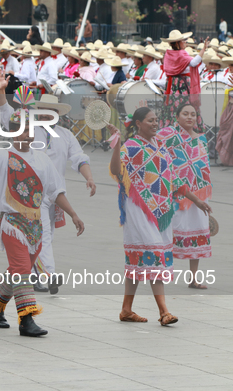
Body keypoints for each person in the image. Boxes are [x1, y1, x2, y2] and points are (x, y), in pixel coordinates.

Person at [0, 73, 85, 337]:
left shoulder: (42, 160)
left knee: (16, 271)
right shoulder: (2, 155)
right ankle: (26, 319)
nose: (25, 134)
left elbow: (56, 192)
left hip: (35, 225)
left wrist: (74, 214)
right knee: (22, 270)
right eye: (19, 129)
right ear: (12, 132)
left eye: (29, 130)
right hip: (12, 224)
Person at [107, 107, 210, 325]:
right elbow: (116, 170)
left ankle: (126, 309)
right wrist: (116, 146)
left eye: (156, 120)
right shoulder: (131, 146)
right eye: (150, 120)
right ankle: (164, 312)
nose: (155, 124)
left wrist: (196, 199)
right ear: (138, 123)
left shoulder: (160, 145)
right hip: (138, 209)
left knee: (140, 259)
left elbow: (172, 179)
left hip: (161, 210)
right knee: (154, 255)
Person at [28, 93, 95, 294]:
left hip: (55, 194)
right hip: (30, 193)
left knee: (43, 236)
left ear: (57, 114)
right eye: (43, 112)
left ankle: (36, 275)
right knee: (43, 235)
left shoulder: (66, 135)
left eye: (52, 112)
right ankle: (47, 274)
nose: (47, 116)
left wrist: (89, 178)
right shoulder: (27, 131)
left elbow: (78, 158)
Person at [157, 104, 213, 289]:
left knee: (198, 230)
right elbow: (162, 161)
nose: (189, 117)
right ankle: (157, 273)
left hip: (198, 193)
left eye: (193, 114)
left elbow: (202, 169)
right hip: (174, 194)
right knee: (165, 234)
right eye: (185, 114)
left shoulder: (201, 139)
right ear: (177, 116)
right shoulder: (168, 136)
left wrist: (201, 195)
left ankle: (193, 278)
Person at [159, 30, 209, 128]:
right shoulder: (182, 54)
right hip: (182, 85)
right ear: (178, 43)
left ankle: (170, 127)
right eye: (184, 40)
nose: (185, 42)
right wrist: (203, 49)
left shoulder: (168, 54)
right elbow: (194, 63)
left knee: (172, 107)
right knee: (186, 107)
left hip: (172, 85)